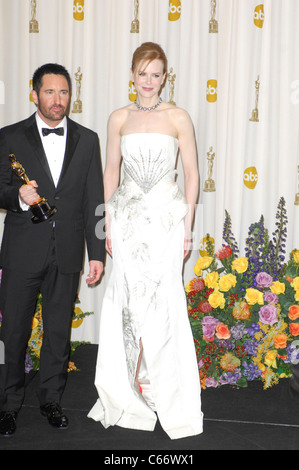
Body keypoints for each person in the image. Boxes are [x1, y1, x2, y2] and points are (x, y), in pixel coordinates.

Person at [88, 42, 203, 440]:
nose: (149, 81)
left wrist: (188, 225)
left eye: (156, 74)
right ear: (132, 74)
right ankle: (129, 386)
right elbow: (109, 174)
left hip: (168, 220)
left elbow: (191, 175)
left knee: (164, 296)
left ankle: (162, 385)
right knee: (128, 297)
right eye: (142, 73)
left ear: (164, 77)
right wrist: (105, 227)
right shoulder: (119, 117)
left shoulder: (179, 117)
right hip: (127, 219)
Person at [0, 63, 105, 436]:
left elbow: (96, 200)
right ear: (34, 94)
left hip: (67, 251)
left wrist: (97, 253)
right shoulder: (10, 136)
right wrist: (17, 196)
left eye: (63, 92)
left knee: (59, 331)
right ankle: (9, 404)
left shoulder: (88, 139)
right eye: (49, 92)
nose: (57, 100)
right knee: (14, 331)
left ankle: (51, 400)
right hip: (22, 251)